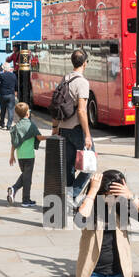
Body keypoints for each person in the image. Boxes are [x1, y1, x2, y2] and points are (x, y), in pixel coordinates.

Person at [52, 49, 93, 200]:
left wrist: (55, 128)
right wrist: (87, 135)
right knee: (89, 166)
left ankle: (68, 200)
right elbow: (82, 111)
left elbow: (56, 105)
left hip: (63, 128)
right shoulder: (82, 82)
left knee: (68, 166)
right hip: (77, 130)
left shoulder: (65, 79)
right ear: (85, 63)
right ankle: (72, 196)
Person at [7, 103, 44, 208]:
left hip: (20, 156)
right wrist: (51, 137)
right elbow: (40, 137)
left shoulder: (17, 126)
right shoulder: (31, 125)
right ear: (28, 113)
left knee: (26, 176)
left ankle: (20, 194)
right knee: (27, 178)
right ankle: (24, 199)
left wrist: (12, 155)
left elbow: (14, 142)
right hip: (29, 156)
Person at [0, 61, 18, 129]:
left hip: (3, 94)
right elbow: (16, 85)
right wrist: (15, 91)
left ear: (4, 69)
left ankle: (2, 123)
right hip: (11, 94)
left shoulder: (1, 75)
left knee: (3, 110)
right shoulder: (13, 75)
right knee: (11, 110)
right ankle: (9, 125)